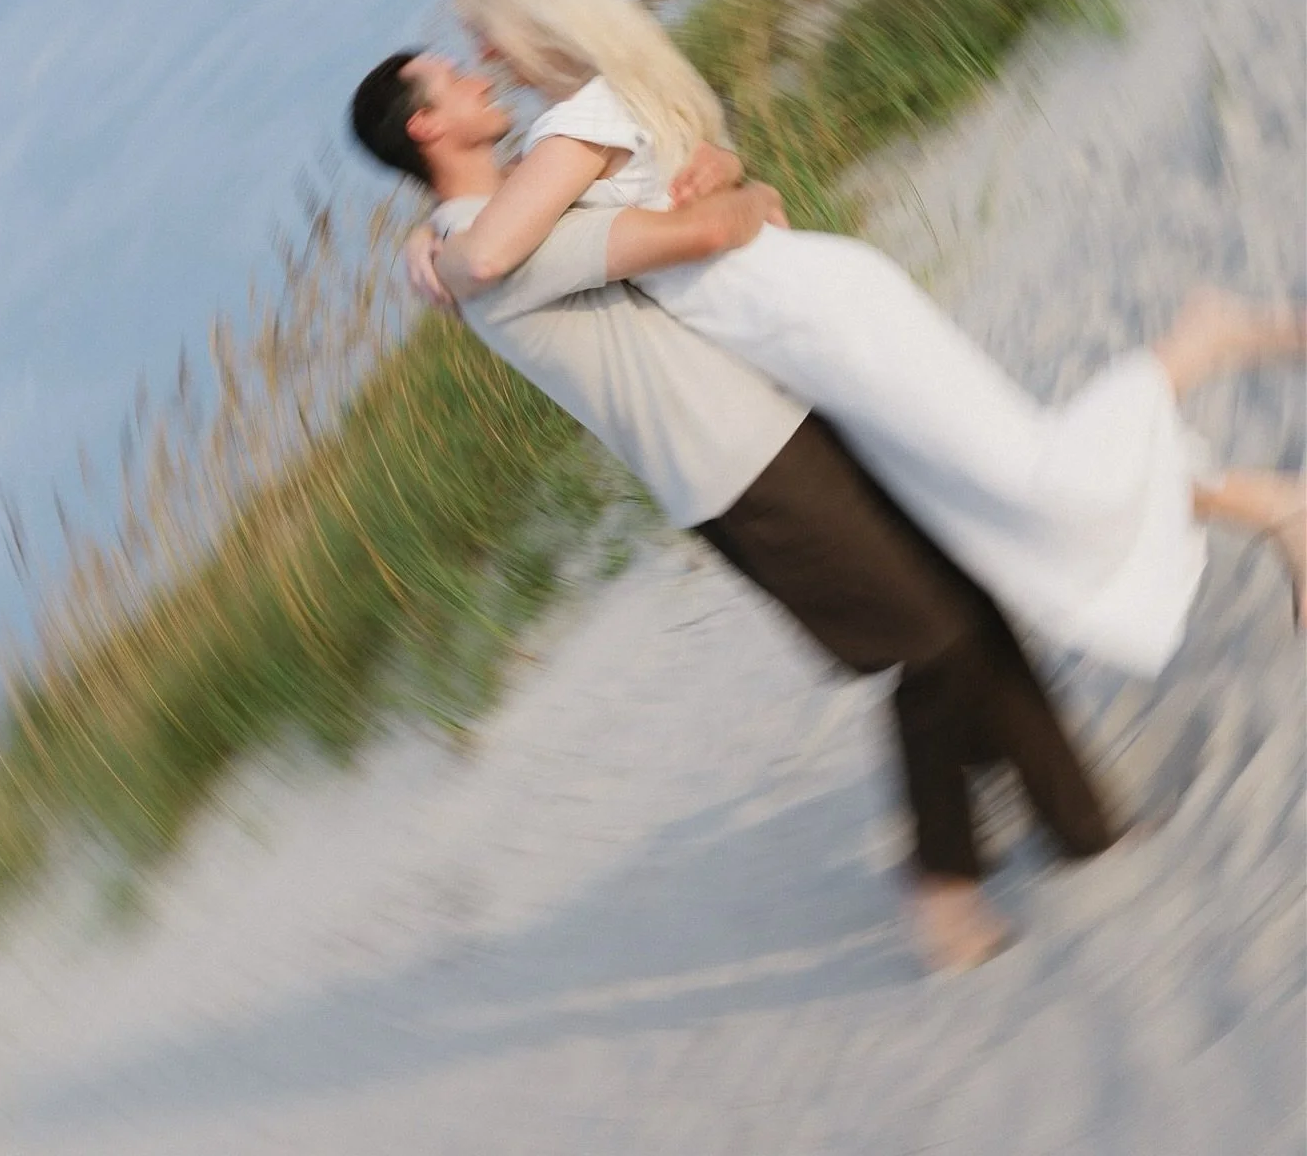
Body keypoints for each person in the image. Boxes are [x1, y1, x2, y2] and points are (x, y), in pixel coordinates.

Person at [350, 48, 1122, 975]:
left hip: (782, 418)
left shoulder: (502, 218)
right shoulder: (486, 249)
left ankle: (1083, 824)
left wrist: (718, 176)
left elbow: (694, 192)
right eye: (454, 80)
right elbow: (703, 230)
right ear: (427, 126)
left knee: (967, 597)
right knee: (932, 645)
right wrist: (732, 202)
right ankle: (944, 888)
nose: (482, 79)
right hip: (737, 469)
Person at [429, 0, 1306, 669]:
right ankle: (1273, 506)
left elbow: (493, 252)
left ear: (528, 17)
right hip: (791, 321)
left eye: (484, 33)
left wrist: (435, 254)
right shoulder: (609, 97)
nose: (486, 59)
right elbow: (685, 181)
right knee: (984, 489)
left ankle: (1203, 344)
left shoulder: (572, 127)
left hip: (809, 316)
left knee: (1025, 474)